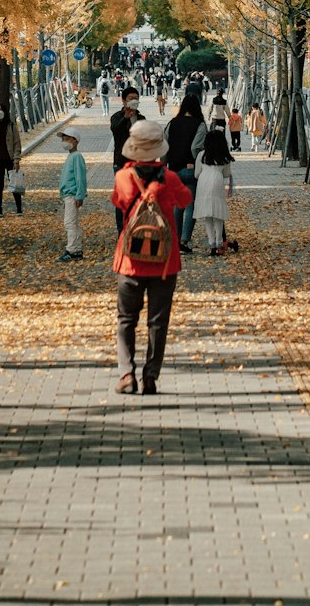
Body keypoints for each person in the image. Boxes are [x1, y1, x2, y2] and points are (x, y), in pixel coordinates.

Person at [111, 119, 192, 395]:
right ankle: (150, 376)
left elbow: (119, 203)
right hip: (164, 263)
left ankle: (126, 374)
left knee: (126, 320)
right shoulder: (169, 179)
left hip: (130, 261)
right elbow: (185, 200)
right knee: (158, 322)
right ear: (158, 149)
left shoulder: (122, 177)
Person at [164, 93, 206, 254]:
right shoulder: (199, 124)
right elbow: (196, 147)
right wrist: (198, 160)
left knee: (177, 206)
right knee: (190, 206)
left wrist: (164, 165)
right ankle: (184, 241)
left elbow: (164, 145)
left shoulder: (172, 123)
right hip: (190, 169)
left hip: (173, 170)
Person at [194, 128, 234, 255]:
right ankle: (219, 241)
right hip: (217, 181)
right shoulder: (224, 156)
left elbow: (196, 173)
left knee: (208, 215)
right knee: (218, 214)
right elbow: (227, 174)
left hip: (203, 181)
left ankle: (211, 243)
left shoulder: (202, 155)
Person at [110, 88, 145, 231]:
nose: (134, 100)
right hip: (121, 163)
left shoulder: (141, 119)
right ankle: (122, 232)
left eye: (136, 98)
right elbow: (116, 131)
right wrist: (126, 117)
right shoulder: (116, 117)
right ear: (124, 100)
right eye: (131, 98)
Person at [58, 127, 87, 261]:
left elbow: (80, 178)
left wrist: (80, 195)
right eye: (63, 139)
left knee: (69, 223)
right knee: (72, 223)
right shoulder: (71, 156)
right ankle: (76, 248)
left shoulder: (77, 157)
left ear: (75, 141)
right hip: (67, 195)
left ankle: (72, 250)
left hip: (72, 195)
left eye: (66, 138)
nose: (64, 141)